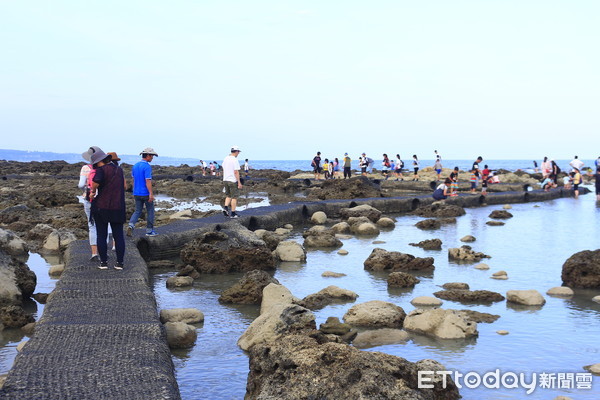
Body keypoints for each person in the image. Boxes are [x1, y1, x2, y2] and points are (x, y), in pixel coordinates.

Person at [88, 148, 126, 270]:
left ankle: (103, 263)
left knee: (101, 235)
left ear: (98, 162)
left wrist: (93, 191)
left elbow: (95, 183)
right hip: (117, 206)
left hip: (101, 207)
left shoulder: (100, 170)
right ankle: (119, 263)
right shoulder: (119, 170)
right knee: (118, 236)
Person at [127, 147, 159, 237]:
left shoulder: (135, 166)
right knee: (150, 211)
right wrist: (151, 194)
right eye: (152, 156)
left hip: (136, 192)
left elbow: (133, 180)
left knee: (137, 211)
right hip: (145, 193)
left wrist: (133, 191)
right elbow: (148, 181)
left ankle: (131, 225)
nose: (152, 158)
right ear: (148, 155)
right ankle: (149, 231)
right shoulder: (147, 166)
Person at [221, 146, 243, 218]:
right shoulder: (234, 160)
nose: (238, 153)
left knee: (228, 195)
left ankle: (226, 208)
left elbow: (223, 168)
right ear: (236, 152)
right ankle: (233, 214)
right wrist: (239, 182)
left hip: (225, 179)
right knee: (234, 197)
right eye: (238, 152)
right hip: (232, 180)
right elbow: (236, 172)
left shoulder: (226, 158)